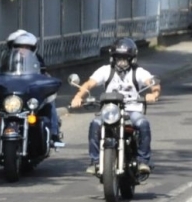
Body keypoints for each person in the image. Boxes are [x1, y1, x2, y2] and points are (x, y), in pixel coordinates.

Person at [68, 37, 159, 178]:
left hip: (132, 109)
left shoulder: (138, 72)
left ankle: (143, 161)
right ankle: (95, 161)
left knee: (143, 123)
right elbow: (88, 84)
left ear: (132, 58)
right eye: (118, 57)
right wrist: (78, 97)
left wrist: (154, 93)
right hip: (110, 110)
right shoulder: (105, 71)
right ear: (113, 58)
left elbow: (153, 83)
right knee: (95, 124)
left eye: (125, 58)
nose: (121, 61)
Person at [0, 29, 64, 146]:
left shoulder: (37, 59)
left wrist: (46, 83)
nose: (22, 49)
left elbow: (43, 73)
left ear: (32, 48)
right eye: (18, 46)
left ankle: (54, 133)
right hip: (13, 95)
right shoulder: (7, 59)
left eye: (25, 47)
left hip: (29, 93)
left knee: (49, 102)